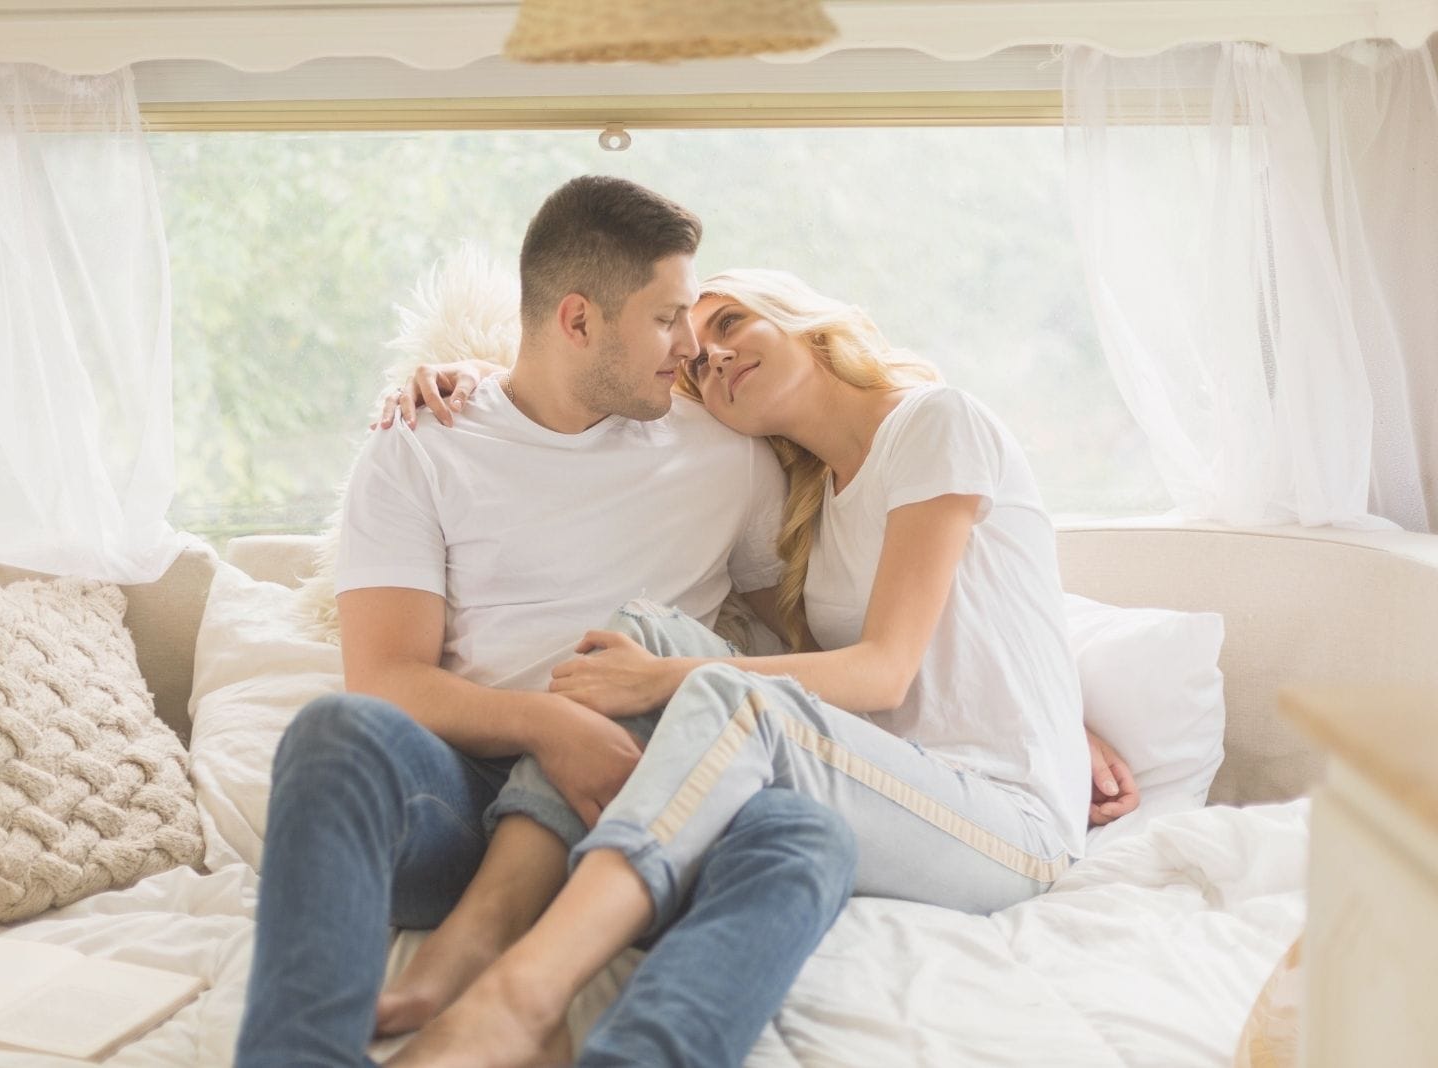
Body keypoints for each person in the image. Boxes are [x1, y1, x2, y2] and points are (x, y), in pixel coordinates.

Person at [383, 267, 1139, 1068]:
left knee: (724, 695)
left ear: (800, 317)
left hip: (1006, 821)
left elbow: (883, 671)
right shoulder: (813, 501)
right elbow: (848, 662)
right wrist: (483, 385)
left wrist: (667, 682)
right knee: (646, 629)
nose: (716, 358)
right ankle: (482, 931)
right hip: (902, 784)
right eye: (699, 362)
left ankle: (521, 994)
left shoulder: (934, 423)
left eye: (732, 323)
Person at [233, 177, 863, 1068]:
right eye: (666, 319)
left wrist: (1000, 700)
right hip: (465, 794)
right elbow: (385, 679)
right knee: (336, 731)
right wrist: (548, 725)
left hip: (645, 802)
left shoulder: (727, 455)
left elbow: (817, 638)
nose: (689, 350)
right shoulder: (423, 440)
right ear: (576, 320)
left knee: (807, 837)